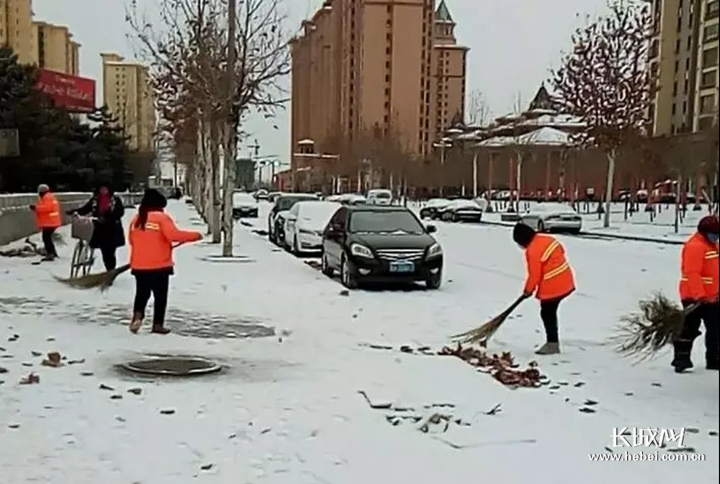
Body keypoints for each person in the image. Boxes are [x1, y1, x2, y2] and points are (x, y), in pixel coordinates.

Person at [128, 188, 202, 334]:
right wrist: (195, 235)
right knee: (160, 296)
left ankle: (137, 315)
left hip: (139, 265)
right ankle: (157, 324)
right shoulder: (161, 218)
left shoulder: (136, 219)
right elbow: (173, 235)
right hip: (159, 265)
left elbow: (131, 241)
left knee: (142, 293)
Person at [513, 223, 576, 355]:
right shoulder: (546, 239)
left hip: (554, 284)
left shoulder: (532, 250)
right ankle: (552, 343)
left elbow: (534, 275)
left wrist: (528, 290)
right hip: (565, 278)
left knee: (547, 313)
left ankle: (552, 344)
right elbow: (561, 250)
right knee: (548, 312)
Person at [673, 215, 719, 373]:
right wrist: (699, 295)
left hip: (712, 297)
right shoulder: (695, 246)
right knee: (689, 328)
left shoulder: (712, 246)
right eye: (714, 234)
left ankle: (714, 359)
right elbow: (691, 273)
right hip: (693, 296)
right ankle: (681, 359)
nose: (716, 237)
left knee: (715, 328)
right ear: (705, 232)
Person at [69, 185, 125, 271]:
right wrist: (75, 211)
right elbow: (86, 209)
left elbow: (119, 212)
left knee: (109, 251)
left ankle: (110, 270)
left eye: (105, 188)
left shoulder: (115, 200)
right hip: (99, 229)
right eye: (101, 189)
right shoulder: (95, 200)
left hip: (112, 229)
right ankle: (109, 269)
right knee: (104, 251)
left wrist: (106, 216)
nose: (103, 190)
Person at [29, 184, 61, 260]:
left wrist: (35, 208)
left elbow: (47, 208)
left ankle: (50, 254)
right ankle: (52, 252)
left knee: (46, 238)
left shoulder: (47, 197)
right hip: (52, 221)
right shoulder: (50, 196)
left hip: (49, 222)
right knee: (47, 237)